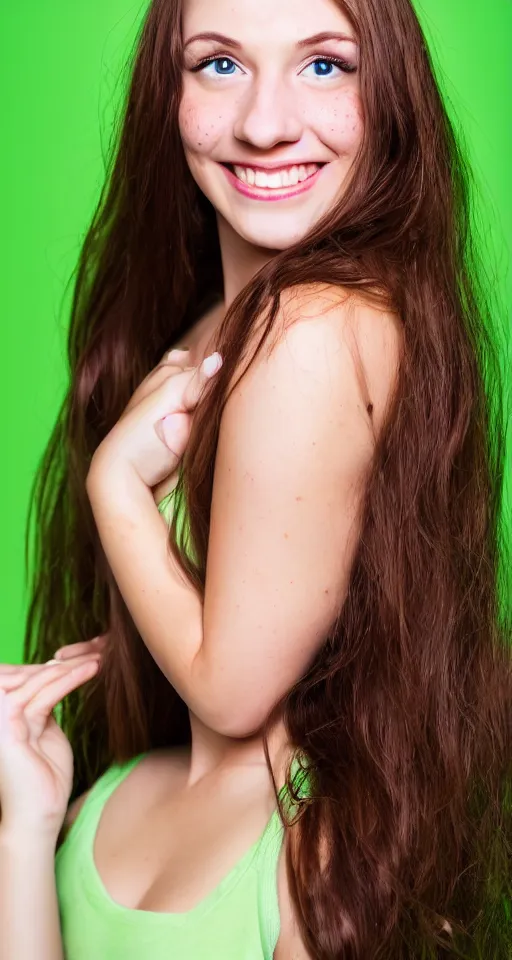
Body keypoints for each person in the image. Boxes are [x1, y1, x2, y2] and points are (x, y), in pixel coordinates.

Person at [1, 0, 511, 956]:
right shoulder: (209, 331)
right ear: (170, 90)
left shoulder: (313, 331)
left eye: (325, 65)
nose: (265, 122)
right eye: (219, 64)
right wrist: (23, 831)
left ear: (390, 91)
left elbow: (232, 689)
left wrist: (116, 486)